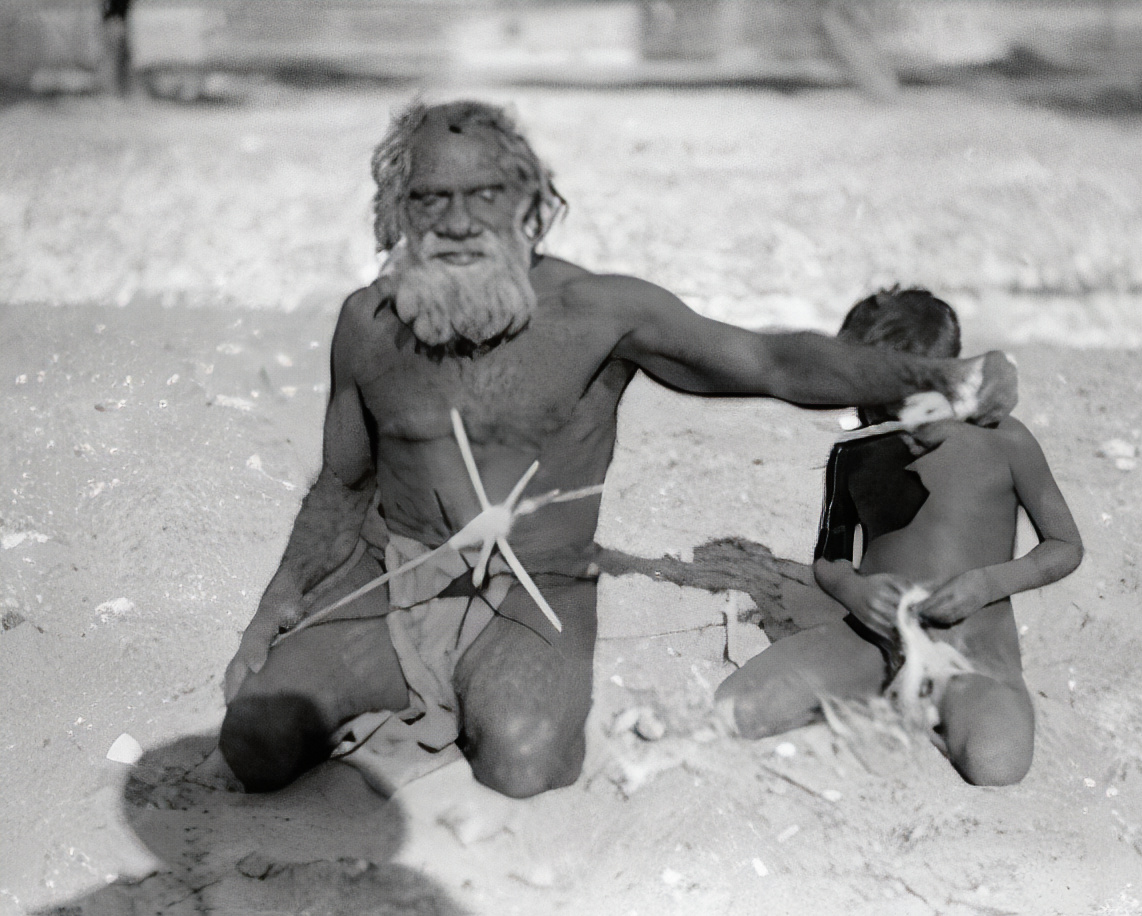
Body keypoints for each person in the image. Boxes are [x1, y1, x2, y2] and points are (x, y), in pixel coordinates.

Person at [218, 102, 1020, 798]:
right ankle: (398, 693)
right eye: (432, 198)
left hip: (530, 596)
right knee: (253, 744)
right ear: (398, 207)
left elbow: (773, 362)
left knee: (525, 764)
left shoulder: (598, 314)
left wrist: (938, 375)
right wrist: (275, 603)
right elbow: (342, 480)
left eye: (482, 195)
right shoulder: (368, 323)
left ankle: (471, 699)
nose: (458, 222)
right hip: (391, 581)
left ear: (527, 201)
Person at [715, 288, 1083, 786]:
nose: (886, 422)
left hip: (971, 655)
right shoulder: (854, 453)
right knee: (734, 710)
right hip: (871, 642)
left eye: (905, 406)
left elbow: (1064, 546)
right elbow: (830, 559)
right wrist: (854, 591)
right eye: (871, 406)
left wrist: (988, 585)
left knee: (996, 764)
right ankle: (881, 706)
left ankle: (912, 713)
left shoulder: (1005, 439)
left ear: (947, 380)